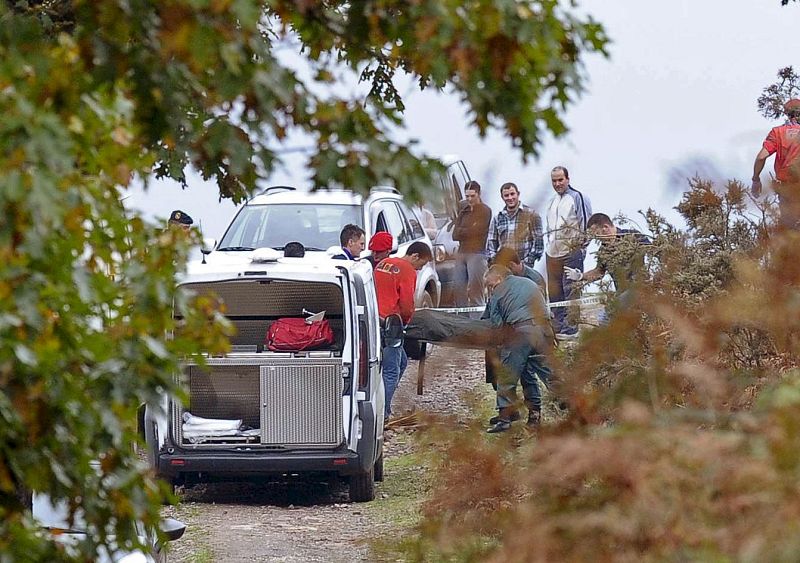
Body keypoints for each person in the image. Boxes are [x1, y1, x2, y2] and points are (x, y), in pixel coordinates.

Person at [483, 265, 554, 433]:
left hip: (521, 333)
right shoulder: (529, 282)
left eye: (490, 284)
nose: (490, 288)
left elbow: (496, 324)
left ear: (498, 278)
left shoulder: (499, 291)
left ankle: (505, 418)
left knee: (507, 375)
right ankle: (539, 415)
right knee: (544, 372)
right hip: (545, 330)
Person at [374, 241, 433, 418]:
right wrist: (406, 322)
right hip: (392, 324)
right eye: (420, 265)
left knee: (402, 362)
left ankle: (382, 406)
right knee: (391, 370)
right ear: (414, 256)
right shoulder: (406, 269)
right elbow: (407, 303)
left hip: (375, 319)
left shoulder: (383, 264)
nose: (418, 270)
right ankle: (381, 413)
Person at [564, 213, 651, 319]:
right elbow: (599, 272)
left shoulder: (633, 237)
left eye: (597, 234)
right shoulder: (604, 250)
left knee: (605, 318)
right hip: (621, 292)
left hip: (639, 288)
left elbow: (653, 250)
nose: (597, 238)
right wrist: (580, 276)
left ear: (605, 228)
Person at [544, 166, 592, 339]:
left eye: (560, 180)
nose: (557, 184)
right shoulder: (551, 201)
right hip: (552, 253)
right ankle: (557, 325)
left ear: (568, 179)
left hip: (571, 251)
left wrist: (581, 249)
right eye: (554, 181)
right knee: (555, 291)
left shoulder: (578, 197)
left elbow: (587, 224)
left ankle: (571, 327)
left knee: (570, 289)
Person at [752, 98, 800, 227]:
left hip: (787, 191)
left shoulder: (777, 133)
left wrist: (756, 179)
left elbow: (761, 157)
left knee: (791, 233)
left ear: (787, 114)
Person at [452, 180, 492, 306]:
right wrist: (468, 230)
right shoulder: (464, 210)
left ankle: (478, 321)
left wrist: (464, 231)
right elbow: (455, 234)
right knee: (458, 289)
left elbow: (478, 232)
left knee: (476, 291)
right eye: (467, 196)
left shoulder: (485, 210)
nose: (469, 199)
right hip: (462, 252)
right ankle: (462, 321)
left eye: (472, 196)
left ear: (478, 194)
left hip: (477, 252)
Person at [486, 182, 543, 268]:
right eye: (506, 195)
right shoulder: (497, 218)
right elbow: (491, 242)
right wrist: (496, 262)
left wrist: (527, 263)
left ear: (518, 194)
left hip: (524, 266)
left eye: (512, 194)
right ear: (502, 197)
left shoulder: (531, 214)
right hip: (503, 267)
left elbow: (538, 242)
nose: (510, 198)